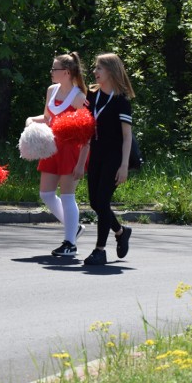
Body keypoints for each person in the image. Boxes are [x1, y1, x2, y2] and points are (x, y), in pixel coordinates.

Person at [24, 52, 89, 257]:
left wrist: (81, 163)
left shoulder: (79, 97)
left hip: (71, 150)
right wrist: (30, 121)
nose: (51, 72)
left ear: (67, 72)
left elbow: (87, 132)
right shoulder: (51, 90)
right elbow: (47, 118)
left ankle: (70, 243)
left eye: (55, 69)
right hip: (51, 147)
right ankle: (74, 228)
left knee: (68, 196)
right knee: (46, 194)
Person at [82, 53, 135, 266]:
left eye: (99, 69)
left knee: (103, 201)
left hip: (114, 156)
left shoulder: (121, 101)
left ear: (111, 72)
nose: (95, 72)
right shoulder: (91, 96)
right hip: (96, 153)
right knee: (96, 202)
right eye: (95, 68)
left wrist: (124, 166)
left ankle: (100, 250)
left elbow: (127, 136)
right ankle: (121, 232)